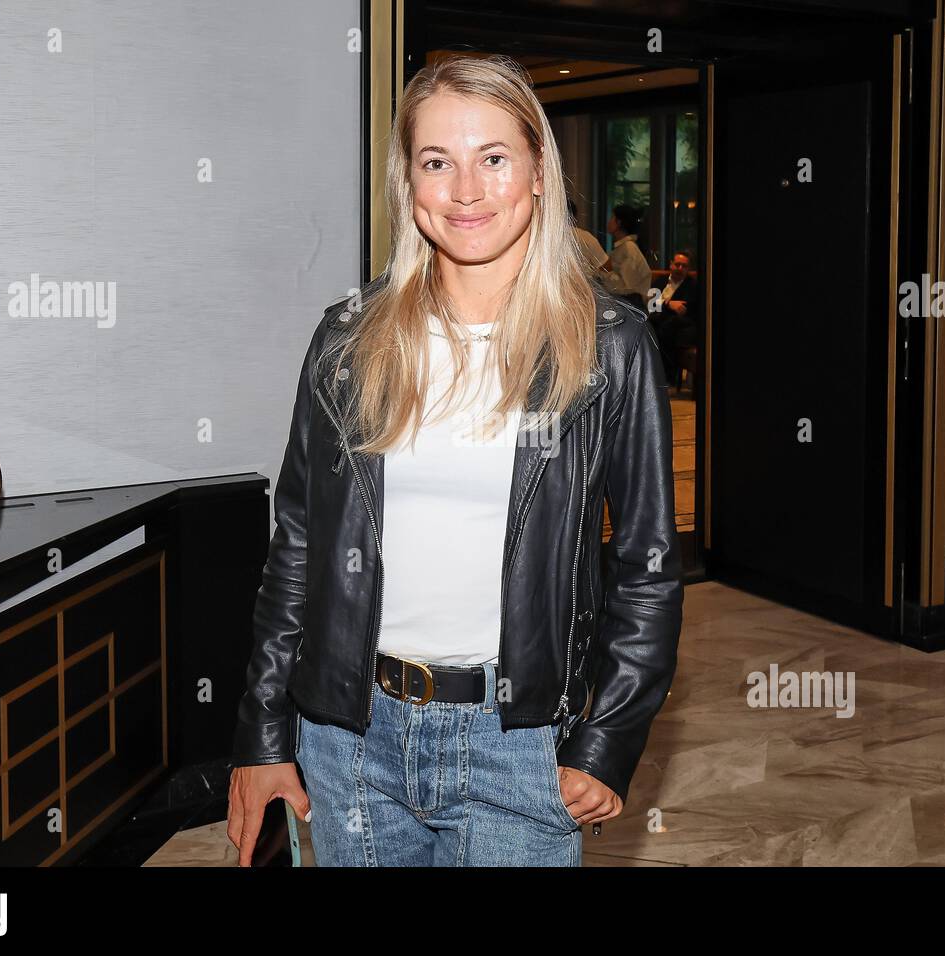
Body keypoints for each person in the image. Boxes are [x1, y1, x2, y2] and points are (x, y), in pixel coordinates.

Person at [227, 53, 682, 868]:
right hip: (349, 738)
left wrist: (607, 737)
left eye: (494, 158)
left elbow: (646, 566)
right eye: (437, 162)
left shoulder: (611, 348)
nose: (466, 190)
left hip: (519, 742)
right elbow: (295, 548)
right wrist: (263, 735)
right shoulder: (347, 338)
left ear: (539, 172)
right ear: (409, 183)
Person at [649, 250, 700, 388]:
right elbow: (651, 305)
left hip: (682, 324)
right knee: (649, 324)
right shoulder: (659, 282)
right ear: (671, 264)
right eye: (677, 264)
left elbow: (683, 309)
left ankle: (667, 378)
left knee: (667, 329)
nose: (680, 269)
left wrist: (664, 305)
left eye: (684, 266)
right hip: (658, 319)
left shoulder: (693, 285)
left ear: (688, 269)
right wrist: (668, 303)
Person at [604, 204, 653, 309]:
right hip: (625, 304)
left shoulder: (629, 249)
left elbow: (628, 288)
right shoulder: (622, 248)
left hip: (633, 307)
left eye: (612, 218)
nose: (609, 221)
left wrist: (605, 273)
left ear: (619, 222)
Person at [568, 197, 611, 279]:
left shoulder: (545, 238)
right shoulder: (585, 237)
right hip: (582, 286)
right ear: (574, 217)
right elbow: (606, 266)